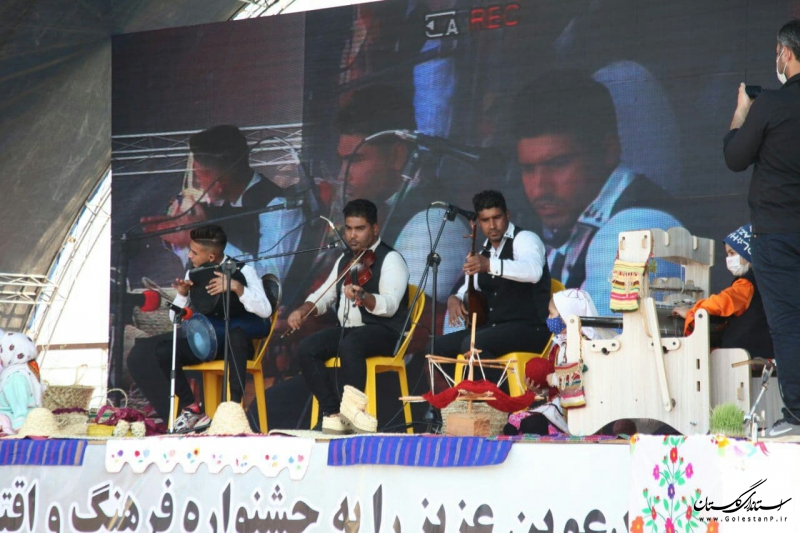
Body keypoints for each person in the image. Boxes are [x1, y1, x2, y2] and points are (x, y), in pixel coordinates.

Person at [512, 70, 683, 316]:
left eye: (558, 164)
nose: (539, 189)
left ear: (609, 151)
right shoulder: (543, 223)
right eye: (528, 169)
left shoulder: (639, 226)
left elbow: (600, 335)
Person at [722, 19, 800, 437]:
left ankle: (798, 413)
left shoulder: (770, 104)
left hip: (777, 231)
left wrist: (742, 111)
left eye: (777, 52)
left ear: (786, 53)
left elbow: (735, 156)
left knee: (787, 322)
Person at [334, 84, 471, 303]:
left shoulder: (433, 223)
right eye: (341, 162)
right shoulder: (381, 211)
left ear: (397, 156)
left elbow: (409, 315)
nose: (343, 175)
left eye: (355, 160)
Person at [127, 225, 272, 431]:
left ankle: (233, 411)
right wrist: (182, 295)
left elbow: (265, 310)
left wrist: (238, 288)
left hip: (235, 345)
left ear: (211, 256)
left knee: (236, 335)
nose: (189, 255)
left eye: (194, 252)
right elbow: (174, 319)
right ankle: (192, 409)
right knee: (162, 351)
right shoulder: (193, 273)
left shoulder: (244, 271)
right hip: (206, 341)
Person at [287, 199, 410, 434]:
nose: (352, 235)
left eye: (360, 228)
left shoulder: (391, 259)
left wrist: (365, 296)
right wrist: (303, 310)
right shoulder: (345, 260)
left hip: (385, 332)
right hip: (351, 332)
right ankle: (333, 414)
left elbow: (390, 305)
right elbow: (324, 295)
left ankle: (351, 414)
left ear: (375, 228)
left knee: (350, 345)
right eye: (349, 228)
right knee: (307, 349)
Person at [140, 124, 303, 281]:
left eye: (199, 176)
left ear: (219, 184)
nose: (198, 183)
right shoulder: (221, 208)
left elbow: (269, 280)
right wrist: (180, 239)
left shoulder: (279, 209)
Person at [435, 190, 552, 362]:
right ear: (478, 222)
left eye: (497, 217)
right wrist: (455, 297)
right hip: (495, 329)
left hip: (531, 328)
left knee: (472, 345)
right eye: (485, 220)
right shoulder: (484, 252)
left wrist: (489, 265)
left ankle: (498, 381)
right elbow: (469, 285)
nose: (492, 225)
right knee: (437, 347)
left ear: (507, 215)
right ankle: (468, 380)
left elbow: (534, 271)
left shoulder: (525, 239)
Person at [504, 288, 609, 436]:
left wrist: (553, 379)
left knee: (532, 425)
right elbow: (553, 387)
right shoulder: (558, 348)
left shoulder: (587, 346)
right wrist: (539, 389)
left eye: (551, 314)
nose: (549, 318)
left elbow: (583, 377)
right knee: (511, 425)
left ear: (566, 317)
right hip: (559, 405)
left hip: (580, 408)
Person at [672, 224, 773, 360]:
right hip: (765, 352)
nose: (728, 259)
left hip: (744, 355)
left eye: (732, 253)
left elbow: (721, 302)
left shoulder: (747, 284)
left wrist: (693, 312)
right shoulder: (769, 280)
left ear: (748, 252)